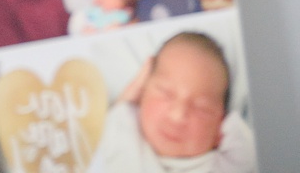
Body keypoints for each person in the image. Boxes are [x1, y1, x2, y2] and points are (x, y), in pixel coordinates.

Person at [97, 33, 255, 173]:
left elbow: (253, 151)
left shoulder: (227, 165)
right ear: (143, 90)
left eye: (202, 108)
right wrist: (126, 100)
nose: (178, 114)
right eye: (165, 93)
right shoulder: (122, 128)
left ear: (219, 128)